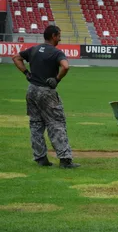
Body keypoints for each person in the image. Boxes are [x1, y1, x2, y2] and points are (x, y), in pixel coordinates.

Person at [11, 25, 80, 168]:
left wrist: (26, 73)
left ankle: (41, 158)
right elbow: (66, 66)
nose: (60, 38)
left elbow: (16, 58)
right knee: (56, 123)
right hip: (47, 92)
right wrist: (57, 79)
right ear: (54, 36)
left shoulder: (34, 49)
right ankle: (65, 160)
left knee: (36, 124)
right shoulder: (56, 53)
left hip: (32, 90)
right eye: (59, 35)